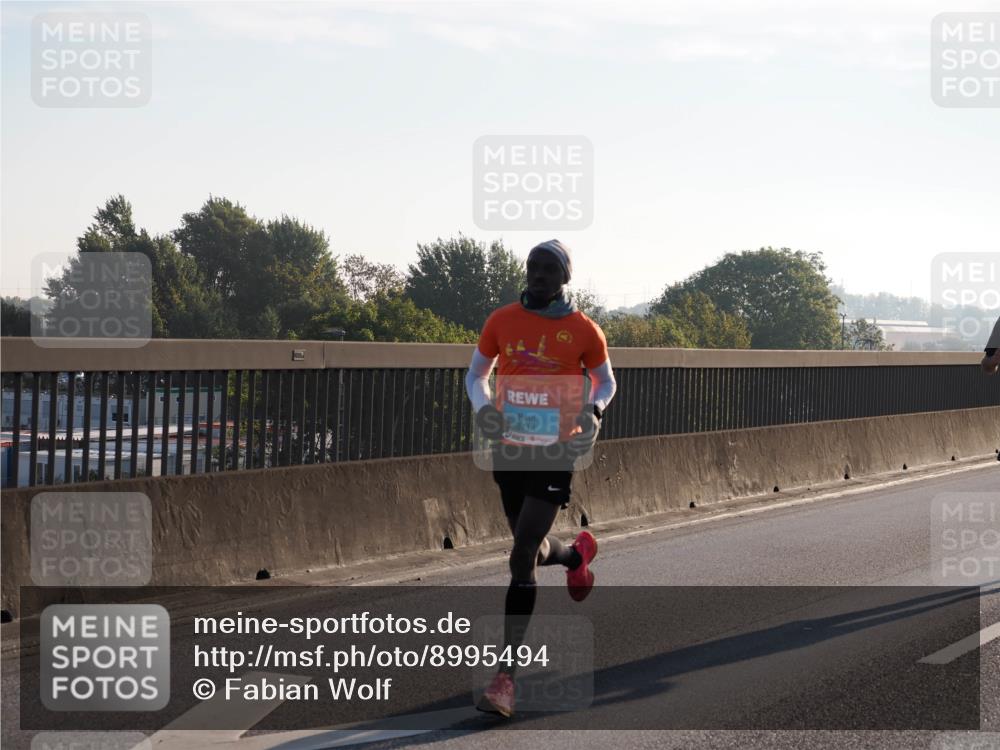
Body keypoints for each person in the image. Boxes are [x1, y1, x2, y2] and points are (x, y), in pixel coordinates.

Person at [464, 239, 617, 717]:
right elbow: (475, 376)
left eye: (549, 268)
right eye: (533, 266)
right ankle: (575, 555)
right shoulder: (501, 320)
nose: (538, 274)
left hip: (556, 449)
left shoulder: (584, 329)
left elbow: (606, 381)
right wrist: (484, 409)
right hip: (509, 448)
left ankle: (504, 679)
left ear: (564, 277)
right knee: (527, 546)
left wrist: (594, 409)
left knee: (522, 551)